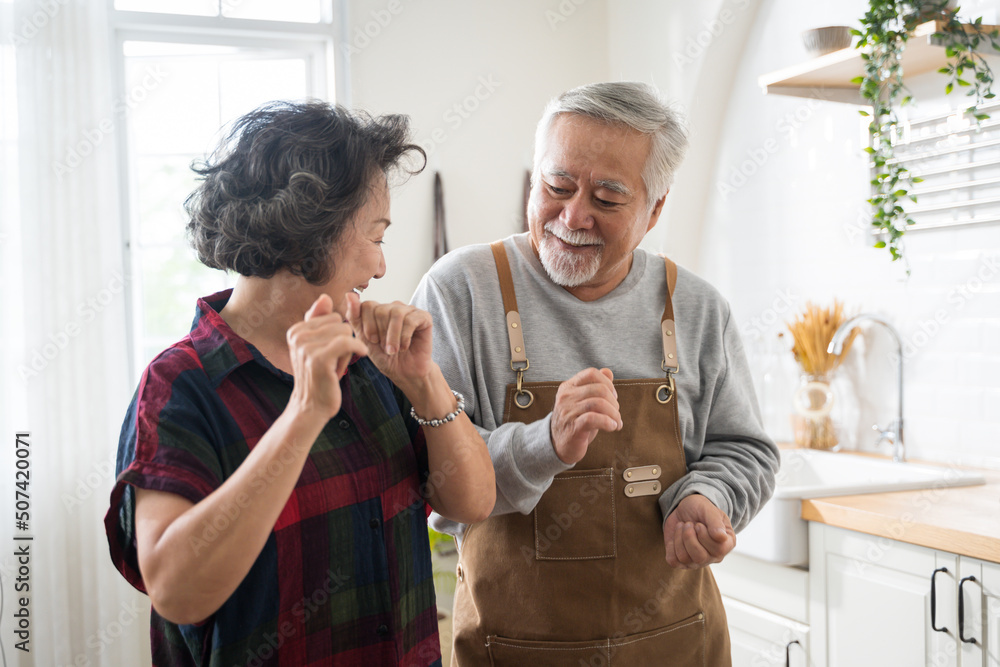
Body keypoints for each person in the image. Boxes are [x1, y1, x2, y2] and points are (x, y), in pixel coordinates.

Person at [104, 100, 495, 667]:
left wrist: (424, 381)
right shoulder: (180, 386)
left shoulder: (369, 362)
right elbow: (177, 591)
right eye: (376, 235)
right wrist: (304, 413)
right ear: (314, 230)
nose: (381, 268)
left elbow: (474, 500)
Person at [410, 82, 779, 666]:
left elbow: (746, 450)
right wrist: (543, 443)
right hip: (511, 651)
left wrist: (710, 497)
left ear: (655, 209)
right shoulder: (461, 291)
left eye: (607, 199)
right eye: (557, 187)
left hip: (675, 646)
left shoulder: (697, 308)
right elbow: (434, 481)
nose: (572, 215)